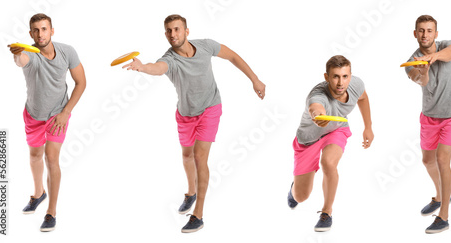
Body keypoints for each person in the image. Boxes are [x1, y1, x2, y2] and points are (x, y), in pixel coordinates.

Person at [122, 14, 266, 233]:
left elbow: (233, 56)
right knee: (187, 156)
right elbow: (157, 67)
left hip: (210, 108)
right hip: (185, 114)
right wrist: (143, 67)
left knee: (199, 157)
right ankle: (191, 193)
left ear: (187, 31)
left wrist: (255, 79)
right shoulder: (170, 58)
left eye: (177, 29)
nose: (173, 34)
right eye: (169, 31)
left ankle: (198, 214)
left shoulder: (206, 46)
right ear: (165, 34)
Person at [8, 13, 86, 232]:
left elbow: (81, 82)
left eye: (44, 29)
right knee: (34, 156)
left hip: (57, 114)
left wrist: (66, 112)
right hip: (33, 114)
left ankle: (51, 211)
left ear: (52, 30)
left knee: (51, 158)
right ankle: (38, 193)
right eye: (36, 30)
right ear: (31, 33)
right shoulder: (29, 54)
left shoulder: (67, 51)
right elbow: (21, 60)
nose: (40, 34)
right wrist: (17, 54)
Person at [287, 55, 373, 232]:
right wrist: (317, 116)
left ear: (350, 75)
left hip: (336, 130)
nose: (340, 83)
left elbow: (363, 99)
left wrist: (368, 127)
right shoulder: (317, 95)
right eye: (335, 77)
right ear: (326, 77)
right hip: (309, 139)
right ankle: (294, 188)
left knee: (328, 162)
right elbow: (315, 108)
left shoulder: (355, 84)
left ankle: (326, 212)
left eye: (344, 76)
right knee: (301, 196)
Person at [404, 15, 451, 234]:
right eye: (421, 30)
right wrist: (423, 71)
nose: (425, 34)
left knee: (441, 160)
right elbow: (421, 81)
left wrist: (434, 58)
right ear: (415, 33)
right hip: (429, 116)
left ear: (436, 34)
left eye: (429, 30)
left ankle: (444, 216)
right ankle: (440, 196)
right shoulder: (412, 60)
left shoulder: (449, 45)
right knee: (427, 160)